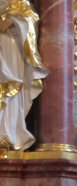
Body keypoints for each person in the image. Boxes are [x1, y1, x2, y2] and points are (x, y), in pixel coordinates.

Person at [0, 0, 46, 150]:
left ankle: (7, 134)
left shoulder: (19, 2)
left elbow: (31, 19)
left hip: (10, 47)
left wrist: (13, 21)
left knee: (11, 86)